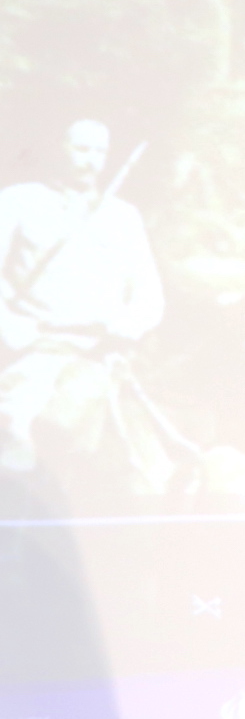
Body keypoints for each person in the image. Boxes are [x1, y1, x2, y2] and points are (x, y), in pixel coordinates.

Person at [0, 119, 188, 494]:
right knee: (19, 452)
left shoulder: (123, 216)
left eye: (100, 151)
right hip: (36, 353)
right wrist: (15, 332)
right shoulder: (17, 202)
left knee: (147, 471)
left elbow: (148, 294)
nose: (91, 161)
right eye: (81, 149)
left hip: (104, 356)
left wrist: (125, 329)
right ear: (58, 148)